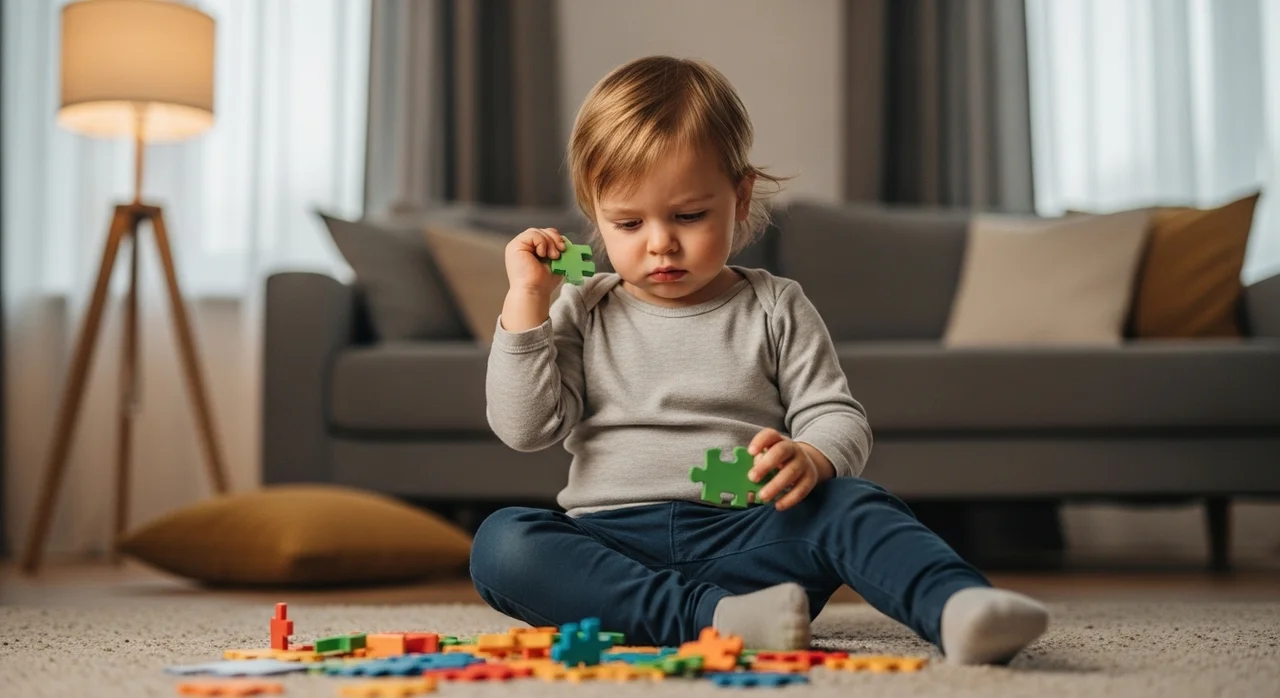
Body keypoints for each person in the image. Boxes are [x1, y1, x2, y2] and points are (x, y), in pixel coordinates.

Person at [470, 55, 1048, 665]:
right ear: (595, 214)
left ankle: (957, 606)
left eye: (689, 215)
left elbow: (837, 414)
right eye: (629, 221)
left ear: (740, 197)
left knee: (854, 504)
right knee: (502, 543)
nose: (661, 241)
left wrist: (815, 457)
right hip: (611, 547)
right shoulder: (580, 306)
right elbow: (525, 428)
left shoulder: (775, 304)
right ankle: (712, 620)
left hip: (748, 538)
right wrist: (527, 302)